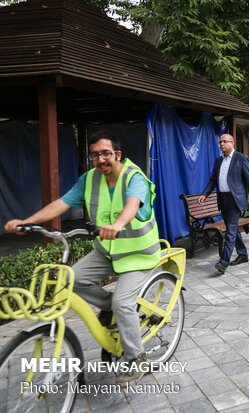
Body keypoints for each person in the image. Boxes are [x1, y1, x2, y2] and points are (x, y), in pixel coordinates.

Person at [5, 130, 160, 385]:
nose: (100, 160)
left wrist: (119, 224)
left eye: (106, 154)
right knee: (70, 280)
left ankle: (136, 358)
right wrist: (27, 221)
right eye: (95, 155)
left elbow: (133, 202)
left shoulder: (134, 177)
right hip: (106, 251)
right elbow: (62, 203)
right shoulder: (89, 180)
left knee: (123, 303)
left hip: (138, 254)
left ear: (117, 155)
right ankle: (111, 307)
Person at [199, 134, 249, 274]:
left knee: (230, 230)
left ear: (232, 143)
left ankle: (224, 262)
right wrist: (204, 194)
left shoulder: (241, 158)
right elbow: (213, 180)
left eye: (225, 141)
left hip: (235, 200)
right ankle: (243, 254)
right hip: (223, 199)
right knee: (234, 228)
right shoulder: (219, 161)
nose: (222, 144)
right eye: (220, 142)